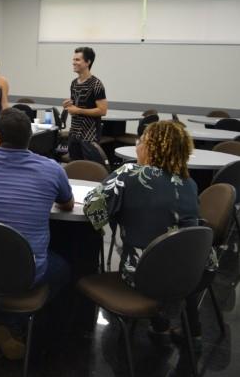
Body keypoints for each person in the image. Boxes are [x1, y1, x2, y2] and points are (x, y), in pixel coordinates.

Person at [83, 121, 211, 349]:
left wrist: (117, 213)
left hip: (144, 275)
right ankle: (184, 327)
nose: (137, 145)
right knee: (169, 253)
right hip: (193, 273)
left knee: (148, 255)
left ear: (152, 147)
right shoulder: (189, 183)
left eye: (141, 141)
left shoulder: (129, 174)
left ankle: (159, 322)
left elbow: (94, 212)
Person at [0, 108, 74, 359]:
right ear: (30, 139)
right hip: (24, 271)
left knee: (0, 257)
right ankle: (10, 322)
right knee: (62, 267)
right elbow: (67, 204)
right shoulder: (52, 169)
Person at [62, 47, 108, 161]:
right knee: (75, 165)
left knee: (90, 167)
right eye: (73, 59)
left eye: (77, 60)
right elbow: (75, 109)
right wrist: (69, 105)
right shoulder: (74, 83)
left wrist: (78, 110)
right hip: (74, 133)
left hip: (89, 135)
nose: (73, 62)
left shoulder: (96, 84)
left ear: (88, 62)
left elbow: (102, 110)